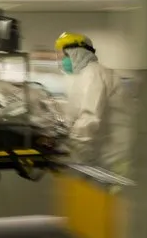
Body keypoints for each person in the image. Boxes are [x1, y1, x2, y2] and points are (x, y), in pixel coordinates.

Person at [54, 32, 132, 177]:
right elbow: (75, 111)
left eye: (64, 55)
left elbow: (90, 117)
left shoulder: (94, 73)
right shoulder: (83, 76)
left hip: (114, 155)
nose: (61, 60)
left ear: (76, 53)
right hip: (102, 153)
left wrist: (69, 144)